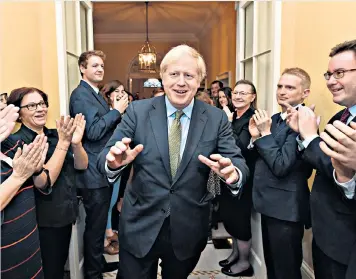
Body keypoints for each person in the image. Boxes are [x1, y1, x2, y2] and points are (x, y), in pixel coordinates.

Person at [97, 44, 249, 279]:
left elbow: (237, 161)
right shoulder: (138, 111)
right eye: (174, 74)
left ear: (199, 80)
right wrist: (113, 164)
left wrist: (234, 174)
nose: (181, 82)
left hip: (188, 227)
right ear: (162, 77)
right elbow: (105, 157)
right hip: (140, 224)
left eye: (189, 75)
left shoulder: (215, 118)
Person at [286, 40, 356, 279]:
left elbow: (336, 166)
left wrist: (309, 137)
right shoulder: (340, 116)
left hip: (345, 241)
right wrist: (304, 136)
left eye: (340, 73)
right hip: (325, 233)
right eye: (329, 74)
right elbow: (325, 162)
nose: (330, 81)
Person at [7, 87, 88, 279]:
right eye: (32, 105)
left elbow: (82, 164)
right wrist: (64, 143)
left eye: (42, 104)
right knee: (48, 271)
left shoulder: (57, 134)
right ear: (19, 113)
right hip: (41, 220)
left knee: (57, 267)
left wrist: (75, 143)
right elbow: (44, 182)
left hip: (64, 214)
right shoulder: (17, 142)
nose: (40, 109)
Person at [250, 68, 313, 279]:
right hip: (269, 202)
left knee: (286, 270)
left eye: (290, 87)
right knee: (273, 266)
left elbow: (281, 165)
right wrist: (255, 138)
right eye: (280, 86)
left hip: (286, 207)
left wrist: (264, 134)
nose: (282, 92)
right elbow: (266, 155)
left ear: (305, 93)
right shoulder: (276, 117)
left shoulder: (304, 120)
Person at [69, 50, 127, 278]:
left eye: (102, 65)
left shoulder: (92, 94)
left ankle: (99, 264)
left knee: (99, 223)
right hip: (92, 173)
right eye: (94, 65)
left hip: (100, 169)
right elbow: (92, 132)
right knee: (95, 228)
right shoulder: (81, 95)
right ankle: (93, 274)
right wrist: (116, 111)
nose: (100, 69)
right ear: (82, 68)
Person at [1, 109, 49, 279]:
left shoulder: (12, 143)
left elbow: (42, 183)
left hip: (31, 254)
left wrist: (36, 171)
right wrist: (19, 176)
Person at [219, 80, 257, 277]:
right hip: (227, 177)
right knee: (230, 219)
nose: (238, 96)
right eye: (236, 92)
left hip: (244, 178)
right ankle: (235, 254)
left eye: (244, 93)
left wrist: (226, 123)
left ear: (252, 97)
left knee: (240, 222)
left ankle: (244, 263)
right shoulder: (234, 116)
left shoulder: (253, 119)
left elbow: (239, 148)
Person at [100, 80, 129, 255]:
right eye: (117, 91)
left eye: (123, 91)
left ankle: (109, 231)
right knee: (108, 200)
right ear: (108, 94)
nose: (121, 94)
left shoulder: (123, 113)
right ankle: (106, 235)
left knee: (114, 198)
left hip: (121, 160)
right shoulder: (107, 113)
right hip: (107, 160)